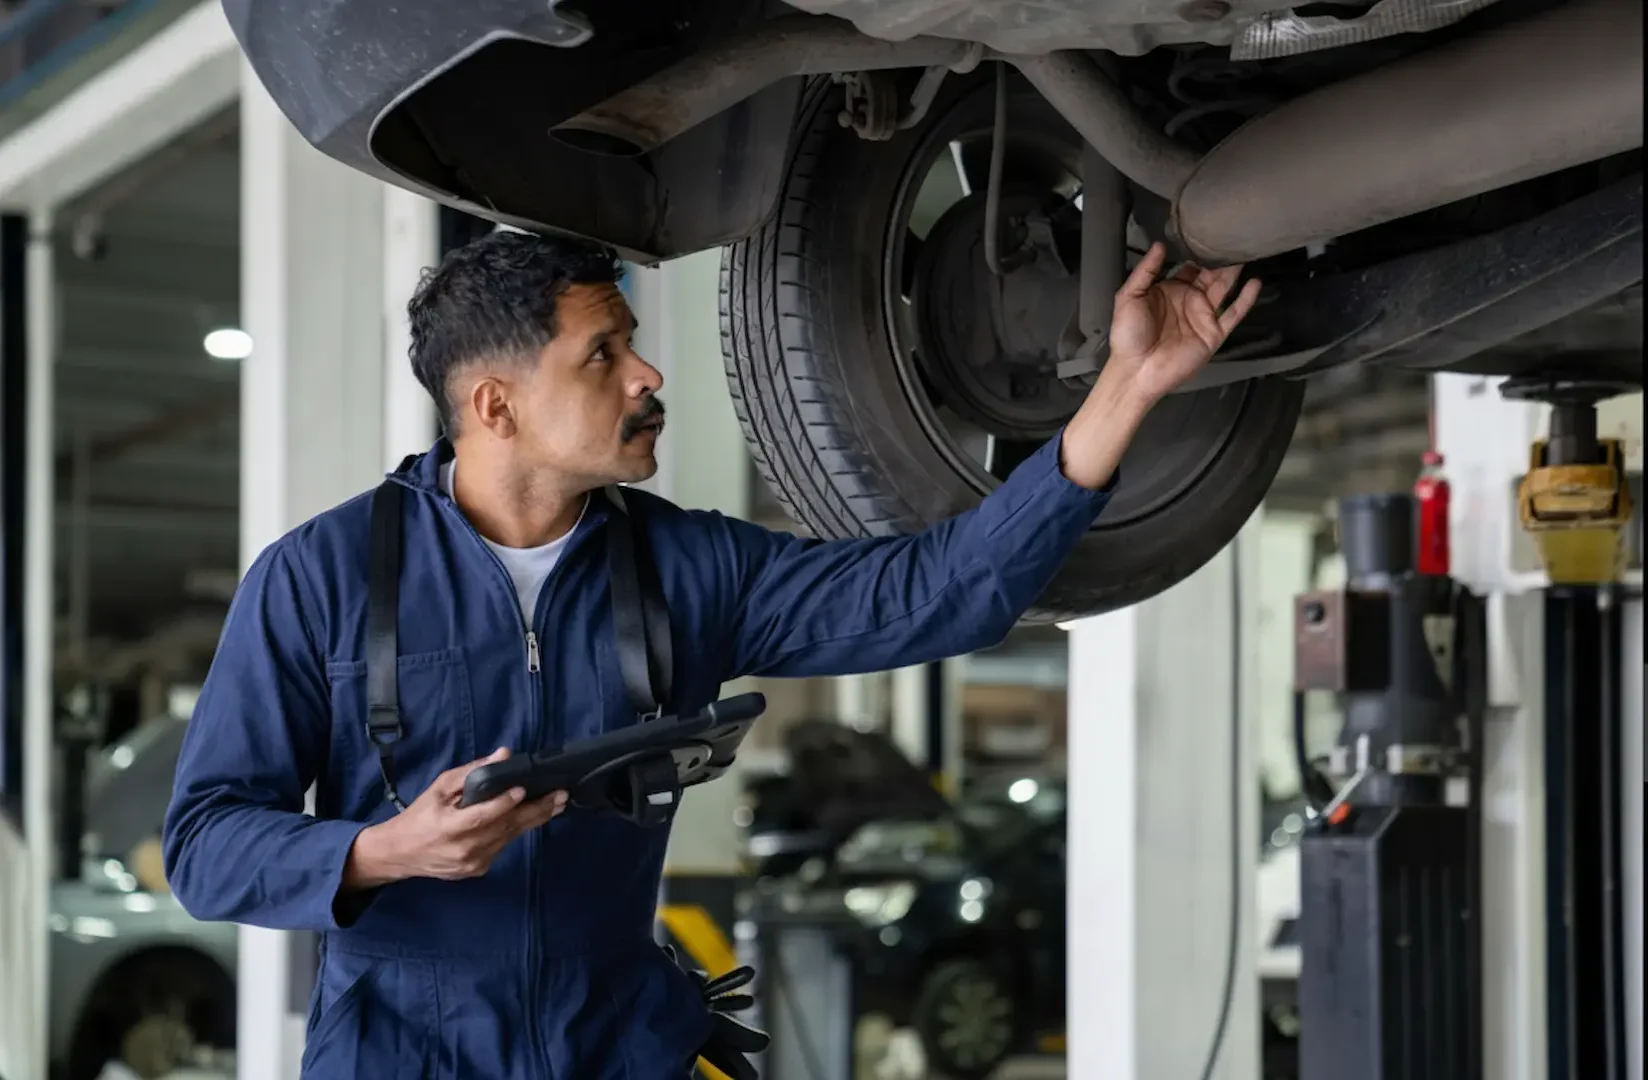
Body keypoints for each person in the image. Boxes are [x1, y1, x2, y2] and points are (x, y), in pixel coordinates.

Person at [161, 230, 1260, 1078]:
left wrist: (1128, 386)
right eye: (603, 353)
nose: (645, 375)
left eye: (630, 342)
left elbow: (943, 595)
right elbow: (207, 845)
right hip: (403, 1051)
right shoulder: (321, 577)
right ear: (495, 405)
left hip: (622, 1039)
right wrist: (388, 850)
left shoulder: (689, 568)